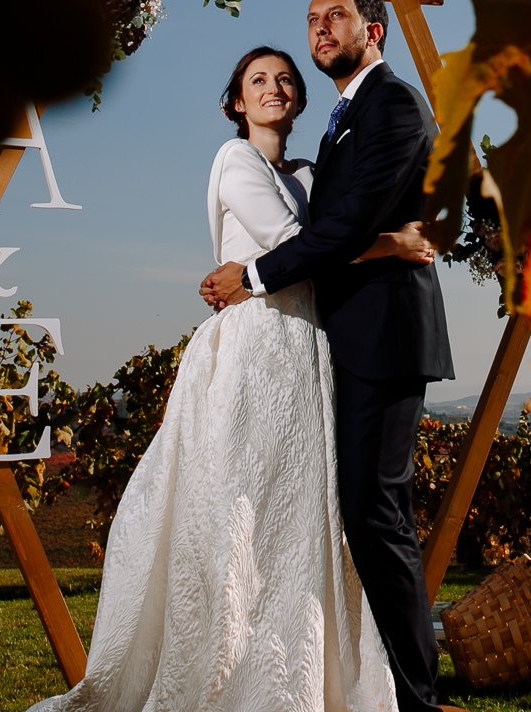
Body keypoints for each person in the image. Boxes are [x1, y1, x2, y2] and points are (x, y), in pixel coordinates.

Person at [29, 45, 433, 712]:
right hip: (258, 353)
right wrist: (393, 242)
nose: (273, 88)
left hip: (311, 353)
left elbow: (323, 235)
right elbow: (295, 244)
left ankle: (304, 673)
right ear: (235, 103)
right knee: (243, 512)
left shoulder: (308, 172)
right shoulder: (234, 159)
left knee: (305, 518)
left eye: (283, 80)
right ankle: (230, 673)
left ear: (300, 100)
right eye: (257, 81)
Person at [200, 0, 456, 712]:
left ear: (374, 31)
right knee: (352, 516)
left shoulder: (394, 104)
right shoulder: (339, 125)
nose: (319, 29)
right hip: (337, 342)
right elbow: (336, 229)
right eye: (311, 19)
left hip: (384, 338)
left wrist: (249, 274)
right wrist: (390, 241)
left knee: (376, 515)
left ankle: (418, 700)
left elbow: (332, 232)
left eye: (335, 16)